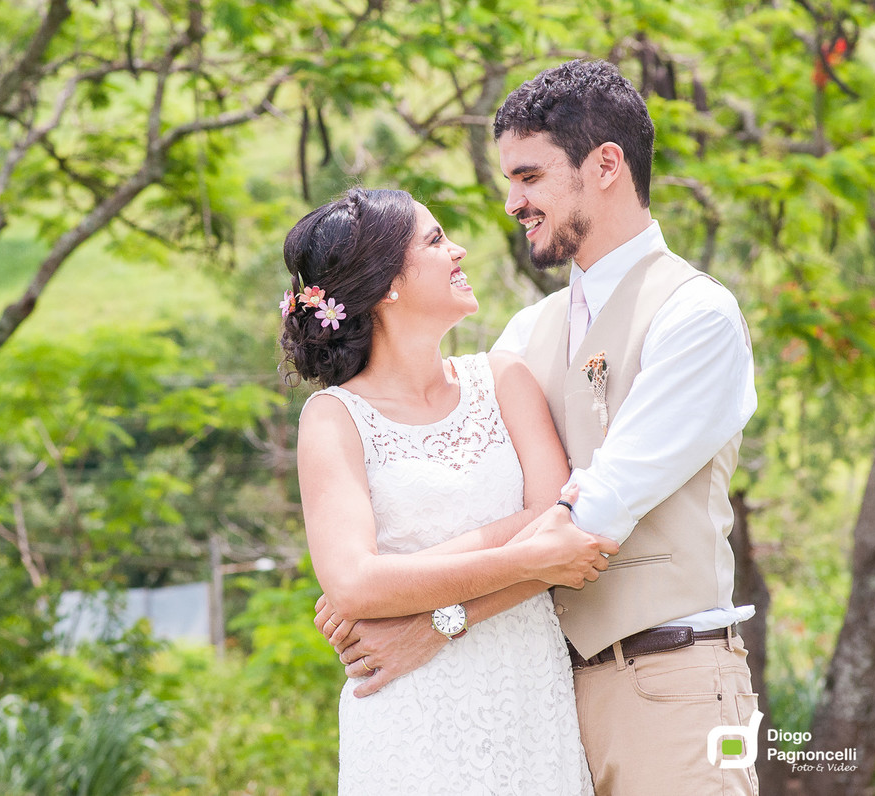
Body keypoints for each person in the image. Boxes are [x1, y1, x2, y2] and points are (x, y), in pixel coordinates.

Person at [319, 60, 760, 795]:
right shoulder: (526, 336)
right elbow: (487, 504)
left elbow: (588, 519)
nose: (512, 203)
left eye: (529, 177)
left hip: (670, 684)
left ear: (607, 165)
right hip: (541, 700)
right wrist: (365, 581)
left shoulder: (695, 316)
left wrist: (423, 618)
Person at [281, 186, 619, 794]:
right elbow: (353, 585)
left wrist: (413, 592)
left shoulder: (504, 378)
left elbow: (557, 519)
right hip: (407, 709)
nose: (459, 250)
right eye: (436, 240)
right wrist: (527, 556)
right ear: (387, 283)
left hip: (528, 691)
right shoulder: (333, 418)